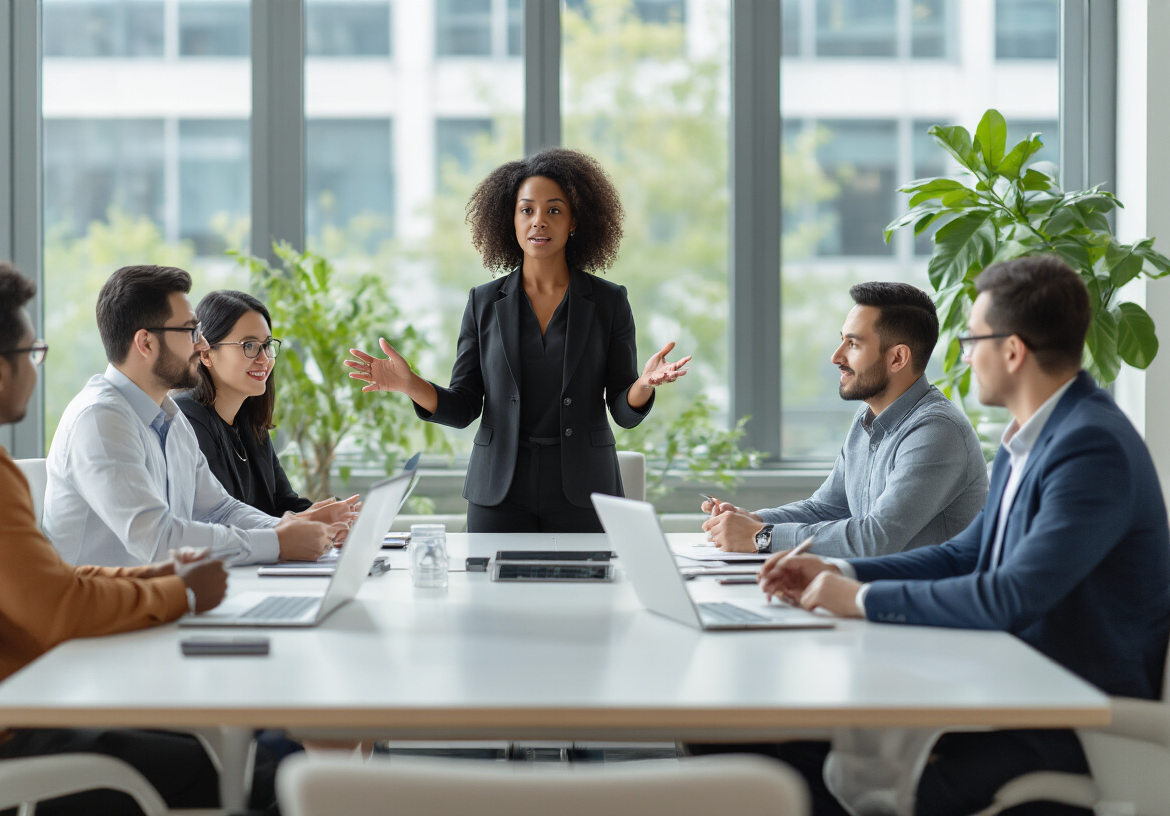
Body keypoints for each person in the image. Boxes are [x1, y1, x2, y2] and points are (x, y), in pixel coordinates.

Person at [757, 255, 1170, 816]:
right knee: (800, 753)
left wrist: (857, 599)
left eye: (973, 339)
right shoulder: (1029, 435)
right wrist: (840, 571)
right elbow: (966, 553)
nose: (965, 354)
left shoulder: (1091, 447)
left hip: (1070, 714)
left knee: (818, 782)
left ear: (1013, 350)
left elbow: (1012, 594)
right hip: (1012, 685)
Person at [0, 262, 259, 812]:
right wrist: (180, 592)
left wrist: (164, 576)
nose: (37, 370)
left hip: (7, 709)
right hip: (8, 731)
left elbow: (52, 583)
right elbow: (59, 607)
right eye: (32, 355)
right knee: (245, 773)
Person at [346, 147, 688, 533]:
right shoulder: (483, 302)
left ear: (575, 220)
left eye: (554, 210)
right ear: (510, 220)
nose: (538, 221)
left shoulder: (608, 301)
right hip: (499, 490)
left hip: (585, 488)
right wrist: (412, 386)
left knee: (587, 594)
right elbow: (464, 407)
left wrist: (642, 385)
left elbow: (623, 413)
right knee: (489, 592)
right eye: (527, 210)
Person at [44, 265, 342, 567]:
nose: (201, 345)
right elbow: (158, 541)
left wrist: (289, 529)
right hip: (103, 611)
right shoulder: (100, 420)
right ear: (145, 343)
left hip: (160, 601)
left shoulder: (169, 418)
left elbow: (220, 510)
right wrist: (278, 542)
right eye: (190, 331)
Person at [702, 281, 987, 558]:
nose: (836, 357)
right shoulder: (866, 421)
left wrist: (761, 536)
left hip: (921, 601)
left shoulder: (937, 430)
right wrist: (750, 519)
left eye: (853, 344)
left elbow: (874, 539)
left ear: (898, 358)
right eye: (842, 340)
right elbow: (825, 508)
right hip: (868, 592)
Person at [173, 289, 358, 540]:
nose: (264, 359)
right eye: (249, 345)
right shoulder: (187, 420)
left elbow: (283, 503)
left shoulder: (248, 422)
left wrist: (335, 516)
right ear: (206, 354)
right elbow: (219, 520)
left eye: (267, 345)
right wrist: (308, 521)